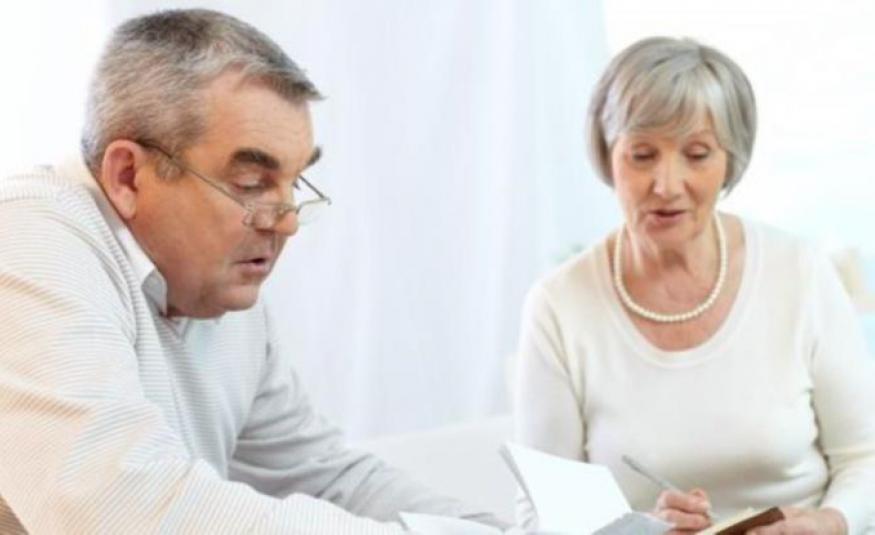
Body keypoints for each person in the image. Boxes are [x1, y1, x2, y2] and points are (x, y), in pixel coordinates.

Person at [0, 9, 506, 533]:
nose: (287, 222)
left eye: (295, 183)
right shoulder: (27, 239)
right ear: (128, 175)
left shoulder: (217, 293)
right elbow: (116, 507)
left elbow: (325, 477)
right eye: (250, 184)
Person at [513, 36, 875, 534]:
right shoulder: (559, 305)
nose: (666, 184)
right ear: (607, 156)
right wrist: (641, 529)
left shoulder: (801, 272)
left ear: (730, 161)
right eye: (642, 155)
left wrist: (831, 522)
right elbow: (541, 516)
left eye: (697, 154)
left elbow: (865, 457)